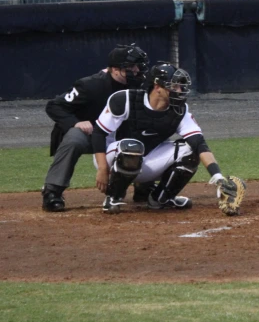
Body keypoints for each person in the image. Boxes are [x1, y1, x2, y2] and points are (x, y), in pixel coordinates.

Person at [91, 63, 241, 214]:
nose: (180, 91)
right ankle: (113, 197)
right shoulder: (124, 99)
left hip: (148, 160)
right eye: (175, 86)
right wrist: (103, 168)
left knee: (190, 150)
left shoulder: (179, 110)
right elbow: (98, 133)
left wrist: (217, 176)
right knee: (132, 147)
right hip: (112, 159)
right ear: (157, 87)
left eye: (181, 87)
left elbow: (199, 143)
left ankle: (160, 199)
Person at [41, 44, 149, 212]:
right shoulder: (91, 85)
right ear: (114, 69)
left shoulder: (141, 85)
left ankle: (144, 185)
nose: (136, 70)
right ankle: (52, 191)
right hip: (92, 135)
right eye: (130, 67)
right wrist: (74, 122)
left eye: (137, 66)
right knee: (74, 138)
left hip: (121, 135)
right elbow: (54, 106)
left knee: (148, 132)